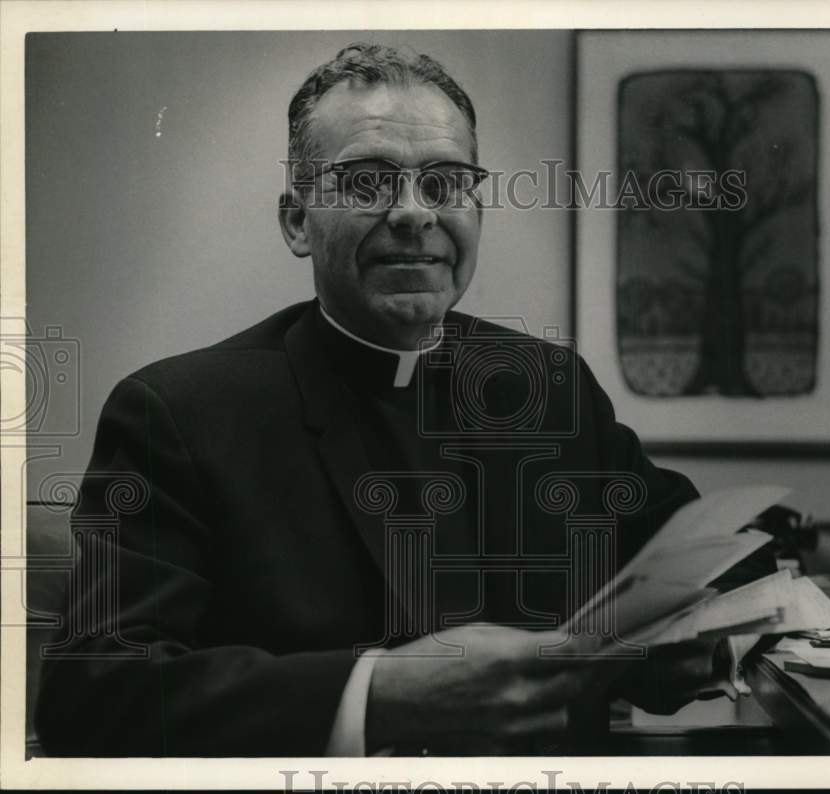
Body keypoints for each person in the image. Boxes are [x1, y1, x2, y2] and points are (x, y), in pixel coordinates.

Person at [35, 43, 752, 757]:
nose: (414, 213)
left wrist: (703, 642)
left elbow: (705, 568)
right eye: (368, 181)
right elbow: (93, 695)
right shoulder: (177, 415)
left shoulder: (548, 388)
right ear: (296, 220)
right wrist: (373, 696)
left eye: (444, 183)